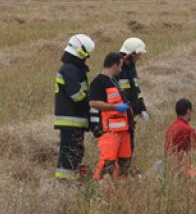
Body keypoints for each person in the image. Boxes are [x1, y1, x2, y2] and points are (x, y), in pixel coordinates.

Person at [53, 33, 95, 181]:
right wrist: (92, 102)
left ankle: (69, 180)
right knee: (69, 152)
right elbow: (77, 95)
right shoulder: (69, 69)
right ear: (80, 52)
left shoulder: (73, 69)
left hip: (75, 120)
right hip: (71, 120)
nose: (87, 57)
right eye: (87, 54)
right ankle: (63, 183)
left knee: (75, 151)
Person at [89, 52, 133, 181]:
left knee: (124, 162)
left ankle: (119, 189)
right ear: (114, 66)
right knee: (107, 163)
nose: (120, 69)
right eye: (120, 66)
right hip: (109, 131)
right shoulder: (98, 82)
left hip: (123, 131)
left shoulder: (113, 82)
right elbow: (94, 103)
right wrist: (115, 107)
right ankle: (100, 187)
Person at [118, 37, 149, 173]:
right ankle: (118, 173)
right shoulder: (117, 67)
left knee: (129, 145)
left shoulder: (131, 68)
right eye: (139, 55)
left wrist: (142, 109)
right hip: (119, 116)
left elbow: (136, 91)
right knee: (120, 147)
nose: (140, 58)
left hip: (129, 116)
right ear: (133, 54)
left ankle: (125, 172)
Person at [164, 98, 196, 177]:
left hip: (168, 166)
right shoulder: (188, 129)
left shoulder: (170, 127)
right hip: (181, 168)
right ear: (188, 111)